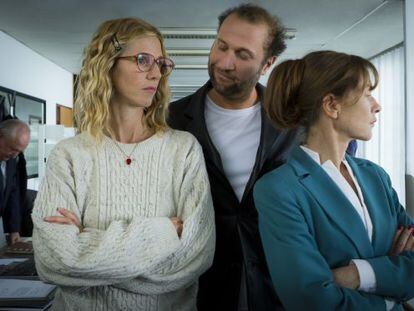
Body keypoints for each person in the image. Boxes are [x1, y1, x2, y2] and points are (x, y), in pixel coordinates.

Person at [32, 17, 215, 311]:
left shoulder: (183, 149)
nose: (156, 73)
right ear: (107, 64)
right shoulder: (69, 155)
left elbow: (194, 257)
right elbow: (54, 262)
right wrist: (162, 233)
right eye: (143, 60)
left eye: (161, 64)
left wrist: (85, 250)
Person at [254, 50, 414, 310]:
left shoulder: (376, 177)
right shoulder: (278, 190)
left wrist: (356, 274)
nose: (377, 105)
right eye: (366, 95)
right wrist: (389, 295)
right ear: (331, 106)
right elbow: (310, 299)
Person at [168, 4, 299, 310]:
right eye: (221, 46)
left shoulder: (294, 123)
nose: (225, 62)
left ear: (267, 64)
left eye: (243, 55)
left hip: (276, 284)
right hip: (198, 284)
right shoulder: (170, 119)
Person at [0, 119, 30, 245]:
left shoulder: (11, 159)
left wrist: (14, 229)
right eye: (12, 148)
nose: (14, 155)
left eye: (19, 152)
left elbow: (12, 191)